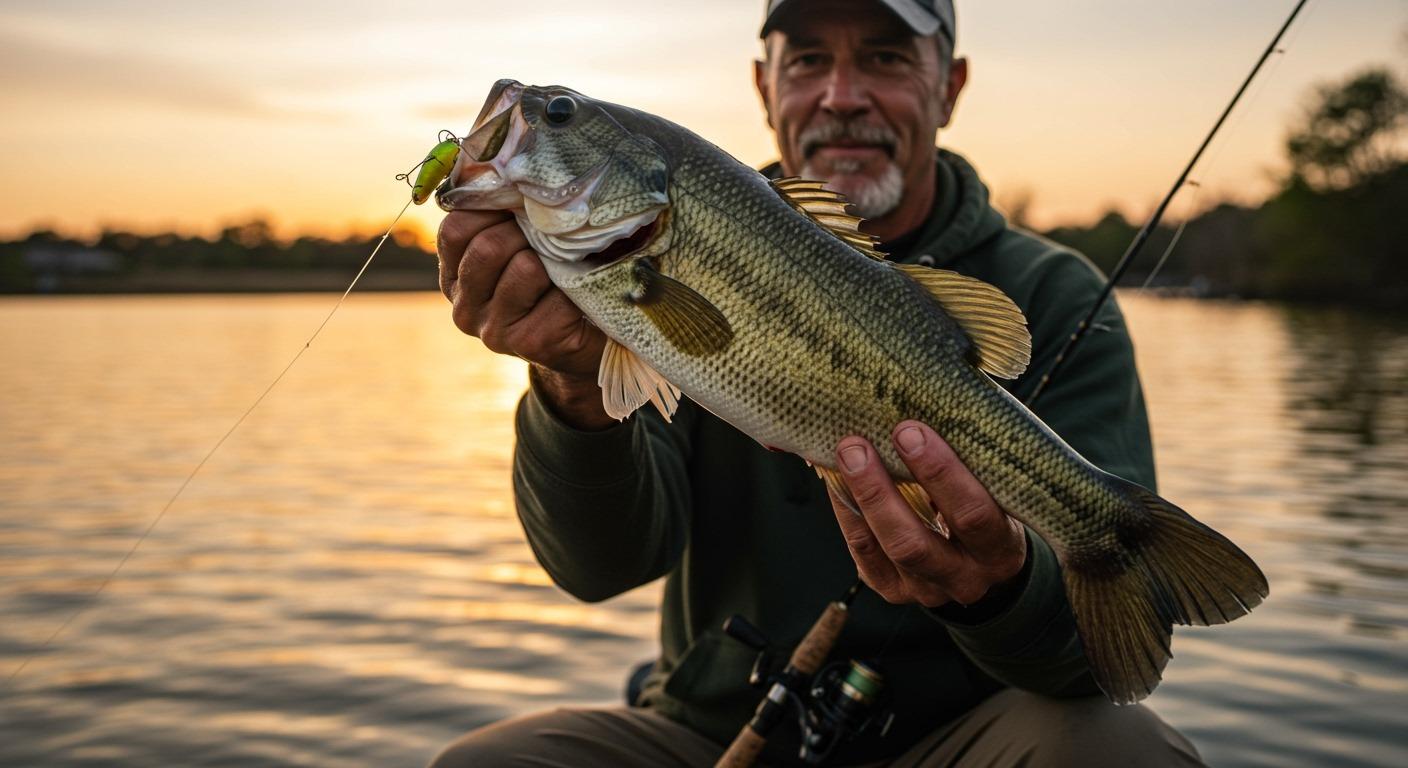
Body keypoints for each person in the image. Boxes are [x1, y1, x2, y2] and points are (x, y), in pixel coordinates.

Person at [430, 0, 1205, 765]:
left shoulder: (1059, 292)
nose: (842, 95)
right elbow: (601, 570)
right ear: (766, 88)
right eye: (806, 60)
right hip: (710, 735)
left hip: (961, 739)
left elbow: (1084, 669)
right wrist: (571, 388)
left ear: (951, 86)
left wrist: (1003, 588)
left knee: (1120, 747)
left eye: (886, 57)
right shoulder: (644, 270)